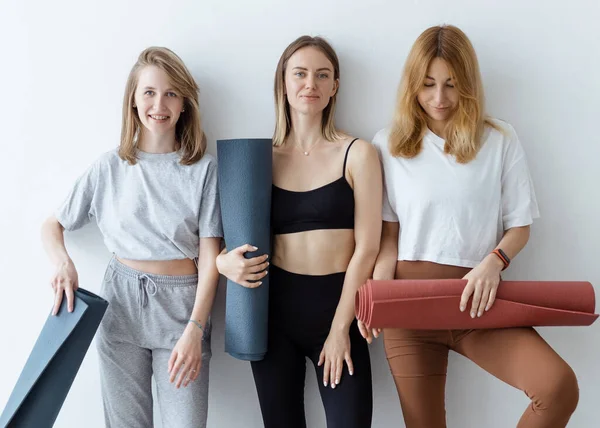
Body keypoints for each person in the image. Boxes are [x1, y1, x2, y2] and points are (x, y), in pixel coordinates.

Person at [367, 24, 579, 428]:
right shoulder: (388, 144)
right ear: (413, 84)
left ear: (468, 82)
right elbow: (388, 237)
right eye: (428, 84)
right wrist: (376, 294)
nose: (439, 98)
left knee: (557, 387)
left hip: (479, 302)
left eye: (451, 84)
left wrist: (494, 262)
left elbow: (519, 226)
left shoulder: (499, 138)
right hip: (410, 308)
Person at [41, 47, 222, 428]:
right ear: (134, 100)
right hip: (119, 304)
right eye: (150, 92)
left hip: (181, 309)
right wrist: (63, 262)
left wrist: (196, 328)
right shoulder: (109, 166)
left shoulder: (202, 170)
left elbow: (210, 259)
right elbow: (53, 224)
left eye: (172, 93)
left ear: (185, 103)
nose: (160, 103)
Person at [216, 35, 381, 428]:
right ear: (283, 83)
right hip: (274, 314)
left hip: (339, 306)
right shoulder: (257, 159)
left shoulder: (357, 153)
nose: (311, 84)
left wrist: (341, 328)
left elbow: (368, 248)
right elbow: (223, 236)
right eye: (301, 74)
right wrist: (224, 263)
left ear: (334, 87)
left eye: (323, 75)